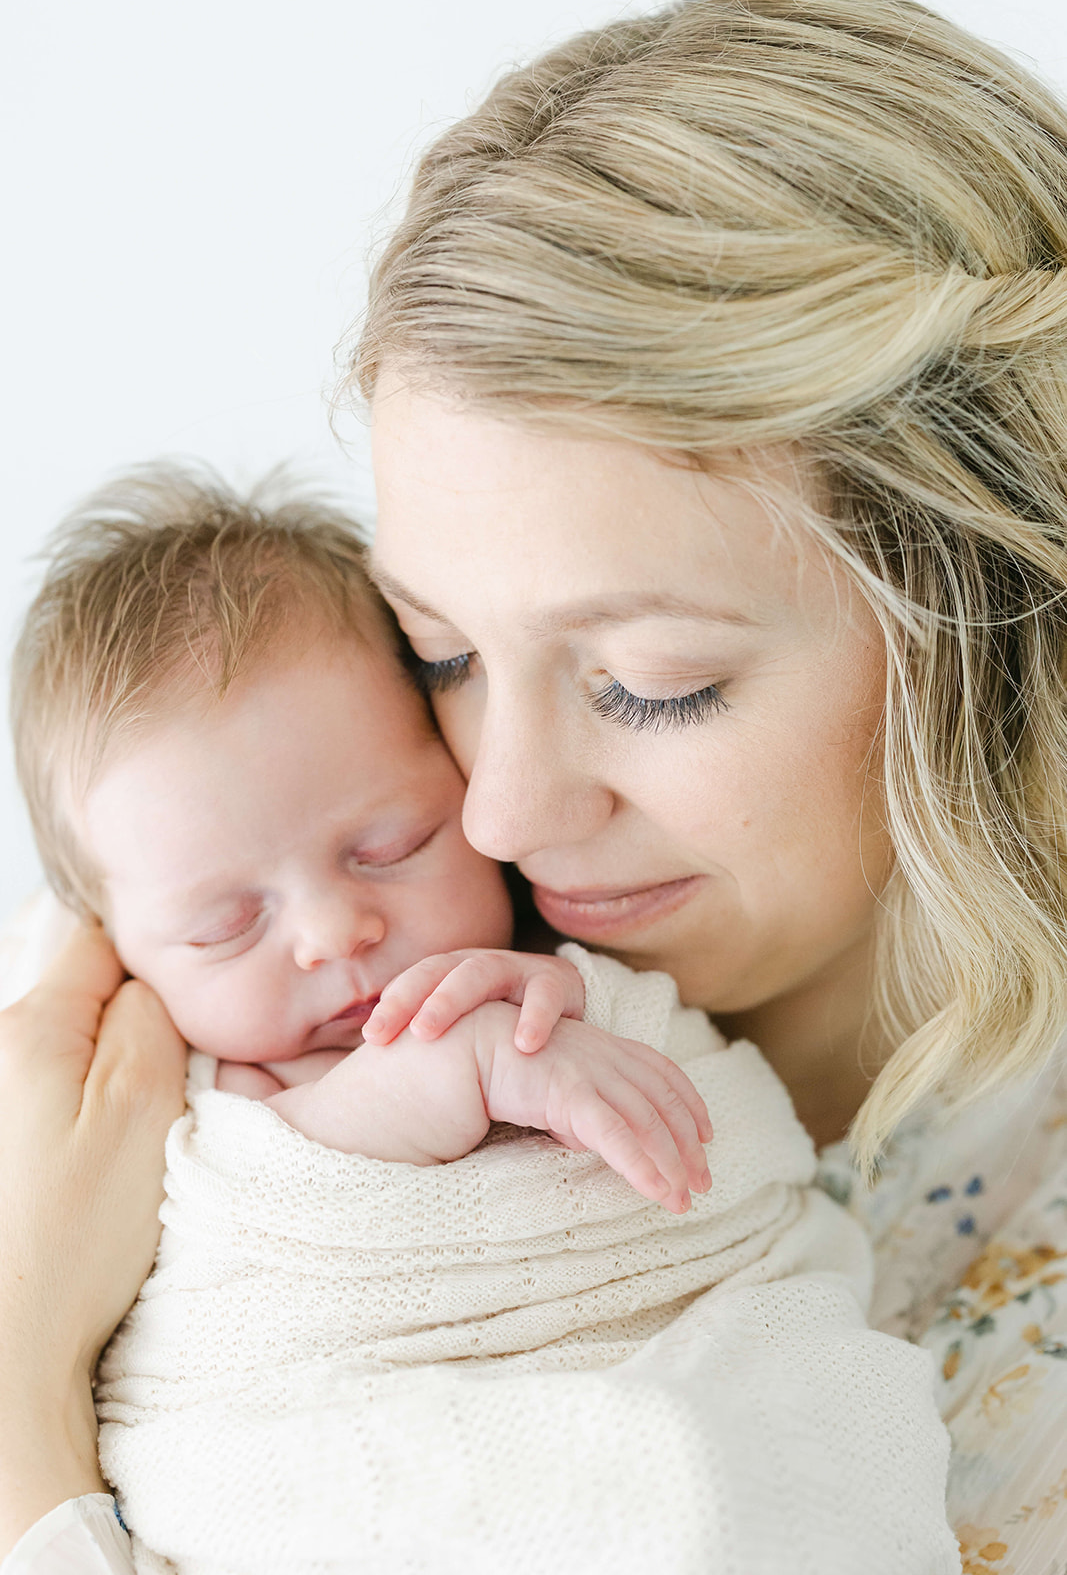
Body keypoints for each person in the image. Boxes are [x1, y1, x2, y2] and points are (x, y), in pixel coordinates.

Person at [4, 0, 1067, 1569]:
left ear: (993, 630)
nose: (494, 811)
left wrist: (19, 1389)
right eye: (438, 651)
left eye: (654, 687)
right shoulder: (231, 998)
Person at [1, 468, 953, 1573]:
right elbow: (266, 1202)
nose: (330, 931)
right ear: (111, 944)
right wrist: (458, 1066)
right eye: (222, 924)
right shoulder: (148, 1091)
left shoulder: (575, 971)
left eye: (390, 846)